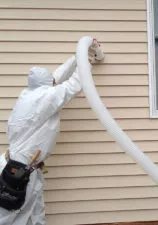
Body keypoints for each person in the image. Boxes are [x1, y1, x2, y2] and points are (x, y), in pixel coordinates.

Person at [0, 42, 101, 225]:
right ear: (48, 85)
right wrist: (86, 62)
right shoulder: (45, 98)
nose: (55, 83)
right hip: (19, 173)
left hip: (23, 167)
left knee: (35, 214)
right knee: (11, 216)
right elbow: (74, 85)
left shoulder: (30, 94)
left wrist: (76, 57)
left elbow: (55, 77)